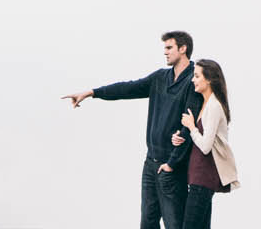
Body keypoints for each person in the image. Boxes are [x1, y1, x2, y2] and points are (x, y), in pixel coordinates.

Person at [63, 31, 203, 229]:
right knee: (147, 221)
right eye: (164, 48)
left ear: (183, 49)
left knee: (174, 224)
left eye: (169, 48)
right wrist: (92, 93)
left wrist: (172, 163)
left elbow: (189, 125)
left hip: (172, 167)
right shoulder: (160, 78)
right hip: (151, 164)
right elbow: (127, 88)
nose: (165, 52)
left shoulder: (194, 80)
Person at [178, 58, 239, 227]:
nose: (193, 80)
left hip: (203, 178)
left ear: (209, 79)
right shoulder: (205, 103)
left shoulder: (214, 106)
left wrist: (191, 127)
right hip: (198, 179)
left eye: (197, 76)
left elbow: (205, 147)